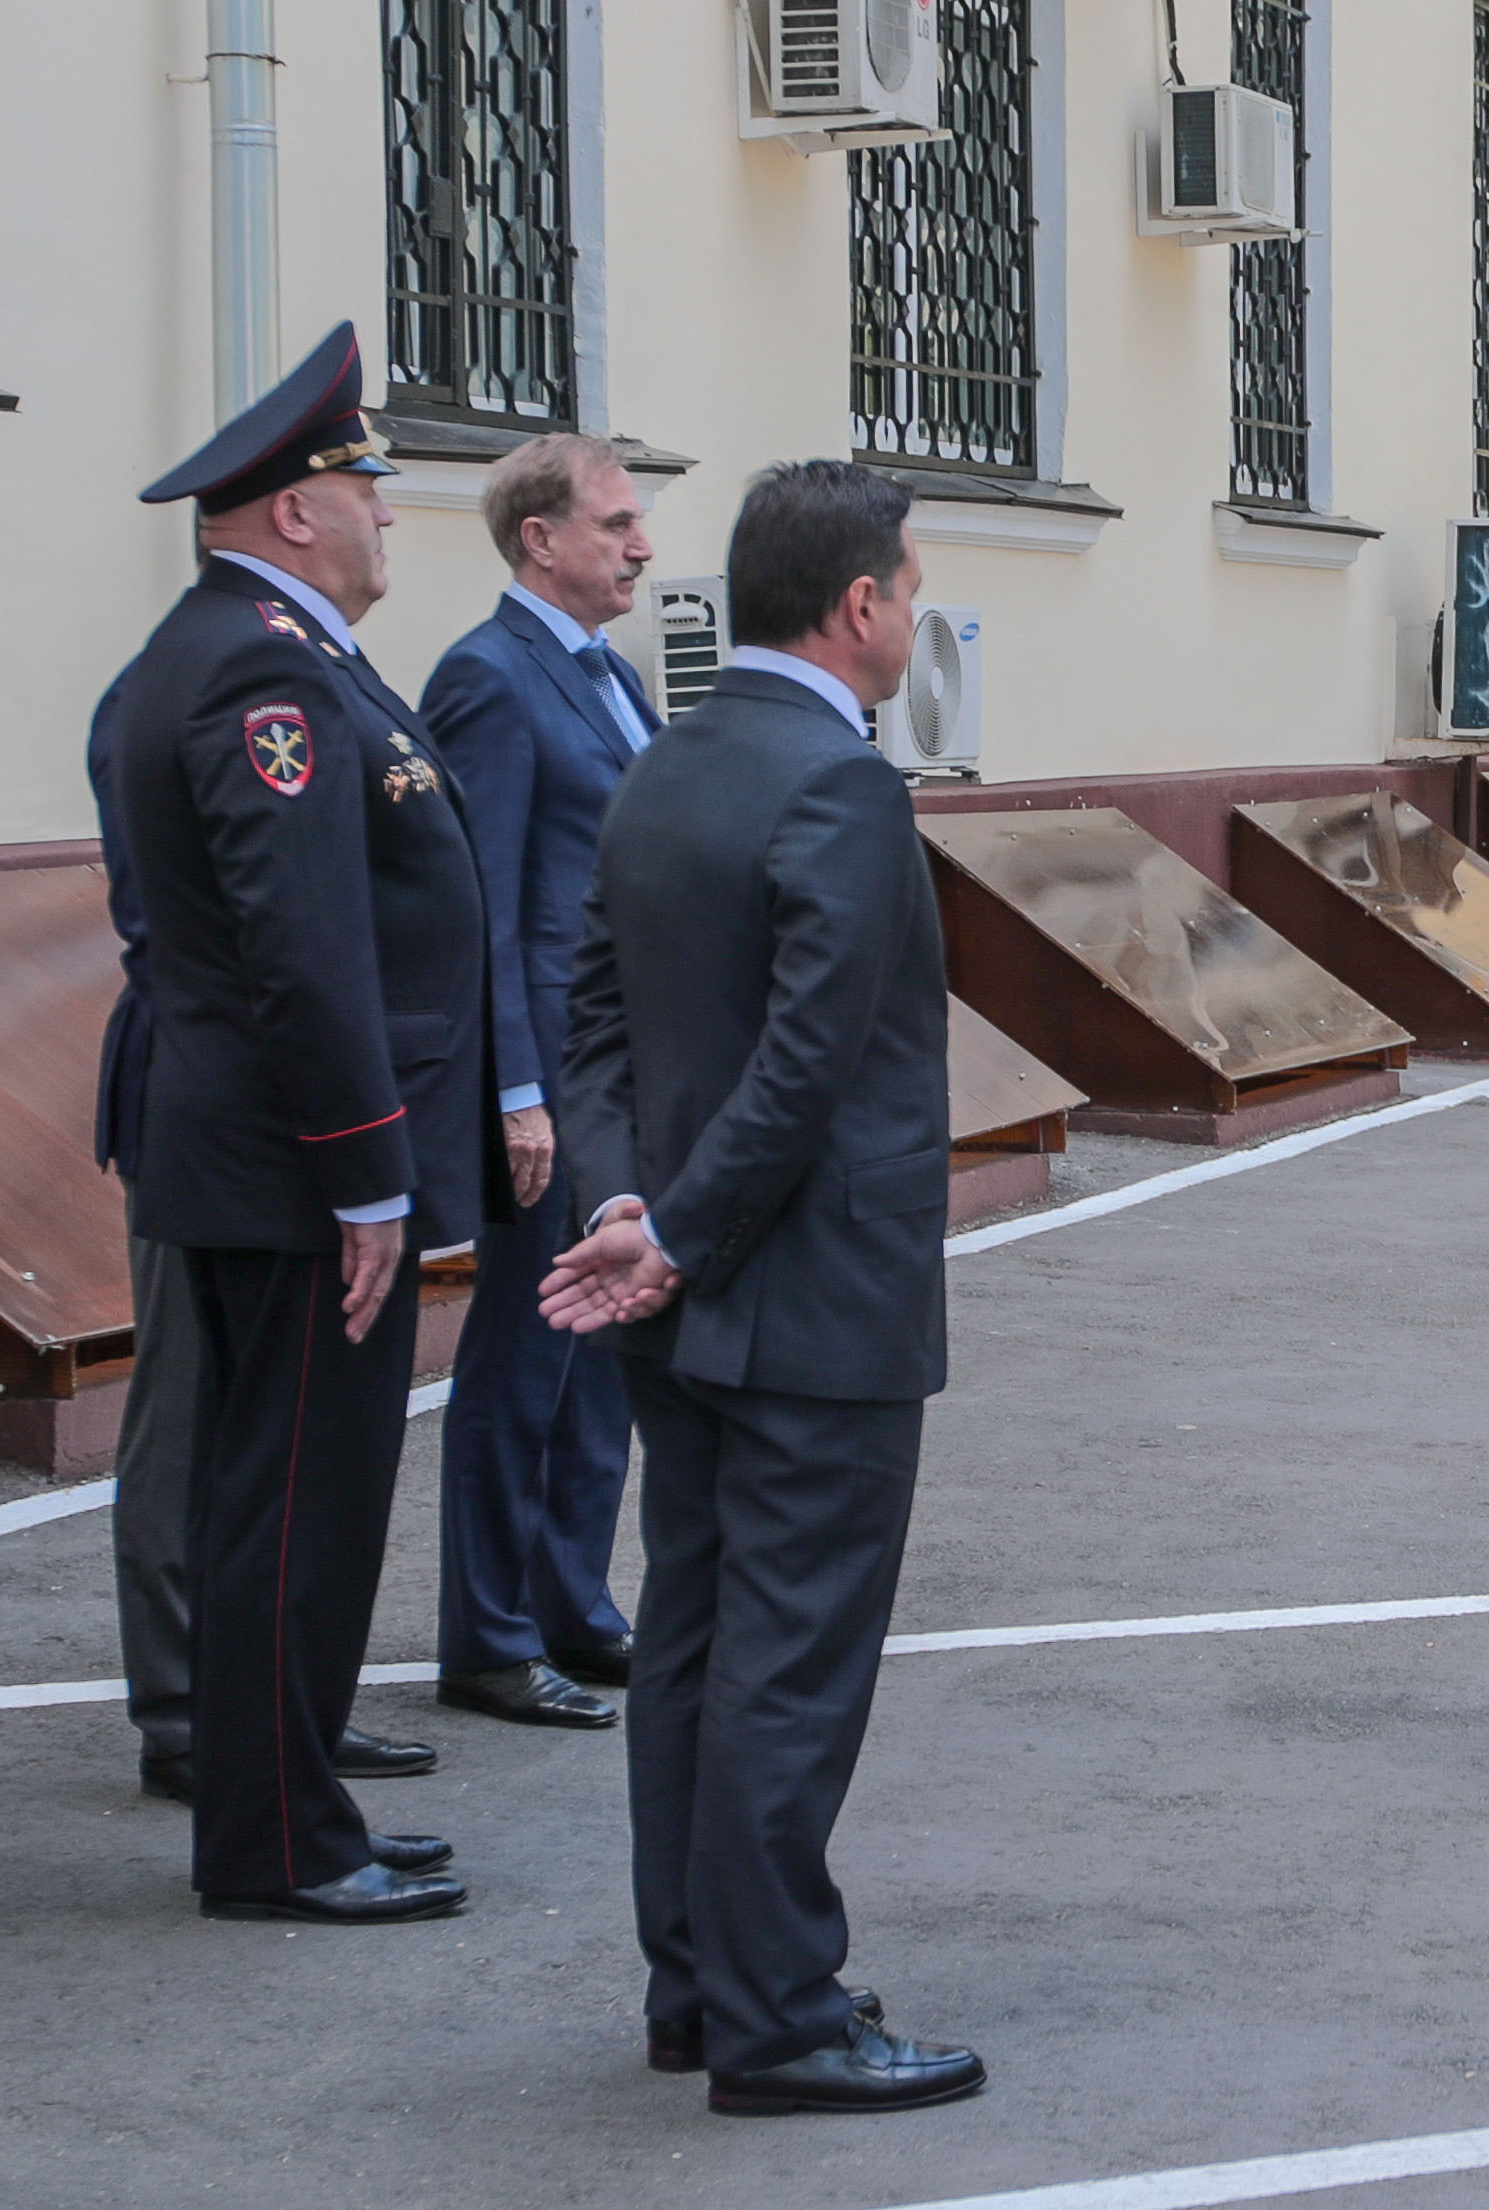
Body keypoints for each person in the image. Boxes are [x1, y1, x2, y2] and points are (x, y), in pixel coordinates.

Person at [540, 459, 983, 2115]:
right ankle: (780, 2017)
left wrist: (629, 1203)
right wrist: (673, 1230)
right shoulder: (841, 784)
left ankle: (701, 1984)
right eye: (910, 592)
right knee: (788, 1662)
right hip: (807, 1297)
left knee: (698, 1638)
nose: (915, 619)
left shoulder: (669, 760)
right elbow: (809, 1061)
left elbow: (593, 1020)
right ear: (858, 605)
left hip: (685, 1296)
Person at [109, 322, 504, 1923]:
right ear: (294, 512)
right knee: (293, 1505)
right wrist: (363, 1176)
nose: (387, 511)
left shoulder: (256, 648)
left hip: (271, 1152)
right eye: (365, 488)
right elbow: (301, 943)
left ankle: (293, 1806)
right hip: (290, 1164)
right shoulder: (259, 667)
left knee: (287, 1495)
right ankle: (278, 1844)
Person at [86, 679, 442, 1807]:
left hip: (278, 1088)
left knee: (274, 1435)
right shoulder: (187, 693)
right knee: (190, 1415)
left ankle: (277, 1709)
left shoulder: (301, 677)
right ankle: (186, 1709)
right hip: (214, 1096)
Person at [420, 433, 661, 1732]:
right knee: (523, 1357)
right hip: (551, 1083)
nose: (640, 545)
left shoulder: (609, 673)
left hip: (620, 1080)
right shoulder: (490, 676)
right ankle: (490, 1633)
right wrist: (515, 1087)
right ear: (539, 538)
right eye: (616, 523)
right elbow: (484, 910)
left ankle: (574, 1601)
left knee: (605, 1349)